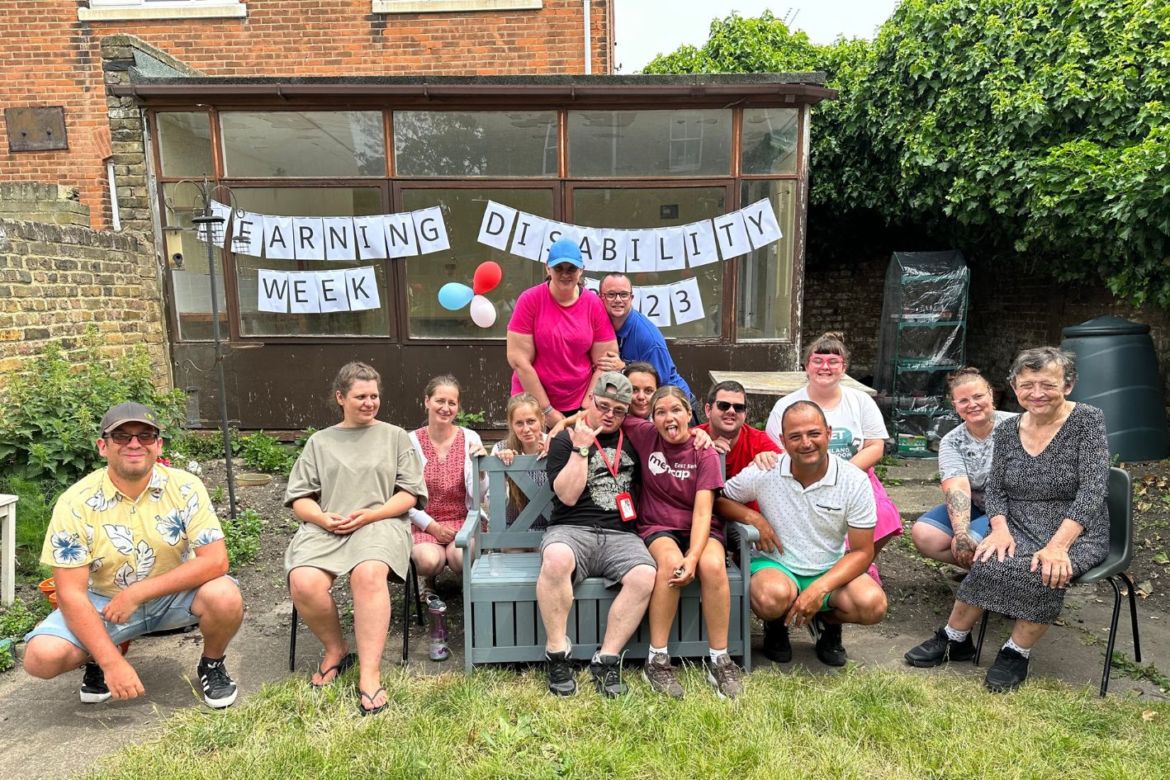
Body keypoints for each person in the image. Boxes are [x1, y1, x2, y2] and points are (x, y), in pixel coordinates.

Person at [904, 348, 1109, 692]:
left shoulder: (1087, 420)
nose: (1037, 393)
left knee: (1043, 570)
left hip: (1076, 529)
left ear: (1068, 385)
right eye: (1027, 385)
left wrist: (1059, 546)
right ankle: (955, 639)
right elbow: (996, 490)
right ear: (1015, 388)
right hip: (1019, 520)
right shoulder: (1008, 428)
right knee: (987, 556)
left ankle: (1016, 652)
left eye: (1048, 384)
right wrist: (998, 528)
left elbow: (1092, 491)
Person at [23, 402, 243, 709]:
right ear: (103, 446)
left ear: (158, 444)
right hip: (104, 602)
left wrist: (137, 593)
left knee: (226, 596)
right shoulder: (75, 502)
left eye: (145, 435)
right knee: (41, 657)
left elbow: (216, 561)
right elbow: (70, 593)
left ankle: (212, 664)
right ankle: (100, 659)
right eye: (122, 436)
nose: (135, 443)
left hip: (173, 596)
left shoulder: (185, 487)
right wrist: (112, 662)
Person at [284, 362, 426, 716]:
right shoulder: (320, 442)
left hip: (381, 522)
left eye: (374, 396)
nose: (369, 402)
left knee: (368, 573)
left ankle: (369, 673)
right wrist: (321, 517)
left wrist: (372, 514)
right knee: (303, 581)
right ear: (340, 398)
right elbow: (300, 498)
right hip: (328, 524)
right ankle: (336, 650)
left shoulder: (395, 437)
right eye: (360, 396)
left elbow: (409, 494)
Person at [723, 401, 887, 667]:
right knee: (769, 597)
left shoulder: (853, 480)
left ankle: (826, 622)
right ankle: (776, 624)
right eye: (795, 436)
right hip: (777, 564)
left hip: (828, 567)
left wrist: (820, 589)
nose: (806, 443)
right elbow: (721, 498)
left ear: (829, 433)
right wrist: (753, 517)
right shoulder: (767, 470)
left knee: (873, 604)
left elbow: (862, 551)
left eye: (814, 433)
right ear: (782, 440)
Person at [538, 372, 656, 698]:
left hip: (621, 533)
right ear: (589, 401)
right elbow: (567, 496)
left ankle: (606, 658)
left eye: (618, 411)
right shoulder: (564, 439)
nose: (609, 415)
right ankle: (558, 653)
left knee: (645, 574)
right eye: (603, 406)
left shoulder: (633, 438)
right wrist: (581, 449)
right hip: (571, 529)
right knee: (556, 559)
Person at [625, 386, 739, 699]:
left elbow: (704, 513)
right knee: (671, 564)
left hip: (699, 528)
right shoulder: (646, 435)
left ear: (690, 414)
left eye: (676, 410)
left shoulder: (705, 452)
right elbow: (603, 411)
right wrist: (560, 426)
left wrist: (695, 556)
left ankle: (720, 660)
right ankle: (657, 659)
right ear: (652, 418)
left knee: (713, 565)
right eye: (660, 412)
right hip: (658, 525)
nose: (668, 417)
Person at [764, 332, 902, 568]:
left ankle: (860, 564)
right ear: (806, 366)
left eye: (833, 362)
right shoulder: (785, 406)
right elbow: (776, 450)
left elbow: (875, 446)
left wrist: (842, 475)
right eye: (817, 361)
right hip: (802, 479)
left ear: (844, 367)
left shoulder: (861, 401)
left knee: (885, 516)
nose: (824, 367)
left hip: (855, 475)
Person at [408, 375, 488, 661]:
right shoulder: (409, 441)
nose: (445, 407)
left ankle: (466, 593)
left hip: (462, 517)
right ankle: (429, 585)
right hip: (424, 519)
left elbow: (480, 494)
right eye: (439, 400)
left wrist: (481, 471)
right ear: (426, 401)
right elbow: (402, 495)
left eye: (452, 402)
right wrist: (430, 525)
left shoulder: (470, 438)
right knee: (430, 560)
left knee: (458, 557)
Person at [910, 368, 1017, 567]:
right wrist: (961, 534)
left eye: (978, 397)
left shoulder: (1017, 426)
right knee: (926, 534)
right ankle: (982, 572)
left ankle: (1000, 578)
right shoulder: (952, 441)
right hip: (978, 505)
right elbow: (957, 487)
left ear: (991, 394)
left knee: (977, 543)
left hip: (1015, 509)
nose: (972, 405)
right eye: (964, 401)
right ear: (955, 405)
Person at [507, 238, 618, 428]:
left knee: (578, 456)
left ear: (581, 270)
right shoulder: (530, 300)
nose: (565, 274)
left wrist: (587, 406)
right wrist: (546, 410)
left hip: (579, 402)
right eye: (559, 268)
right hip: (532, 402)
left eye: (571, 269)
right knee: (532, 456)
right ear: (547, 269)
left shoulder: (593, 304)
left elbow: (606, 360)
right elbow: (519, 361)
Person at [594, 272, 697, 409]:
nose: (618, 300)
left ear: (632, 298)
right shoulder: (599, 324)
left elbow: (661, 383)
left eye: (624, 294)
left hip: (676, 405)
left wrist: (624, 368)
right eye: (611, 294)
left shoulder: (649, 338)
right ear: (600, 297)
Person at [697, 380, 781, 481]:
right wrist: (704, 454)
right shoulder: (691, 438)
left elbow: (791, 472)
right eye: (723, 405)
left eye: (738, 407)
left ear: (745, 414)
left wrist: (769, 462)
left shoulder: (759, 443)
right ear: (708, 410)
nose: (731, 411)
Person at [490, 392, 550, 531]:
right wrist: (503, 465)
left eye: (531, 421)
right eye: (519, 423)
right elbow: (492, 498)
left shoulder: (555, 444)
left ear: (541, 419)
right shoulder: (501, 448)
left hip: (551, 528)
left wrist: (554, 458)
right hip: (514, 527)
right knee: (511, 550)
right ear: (511, 424)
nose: (526, 429)